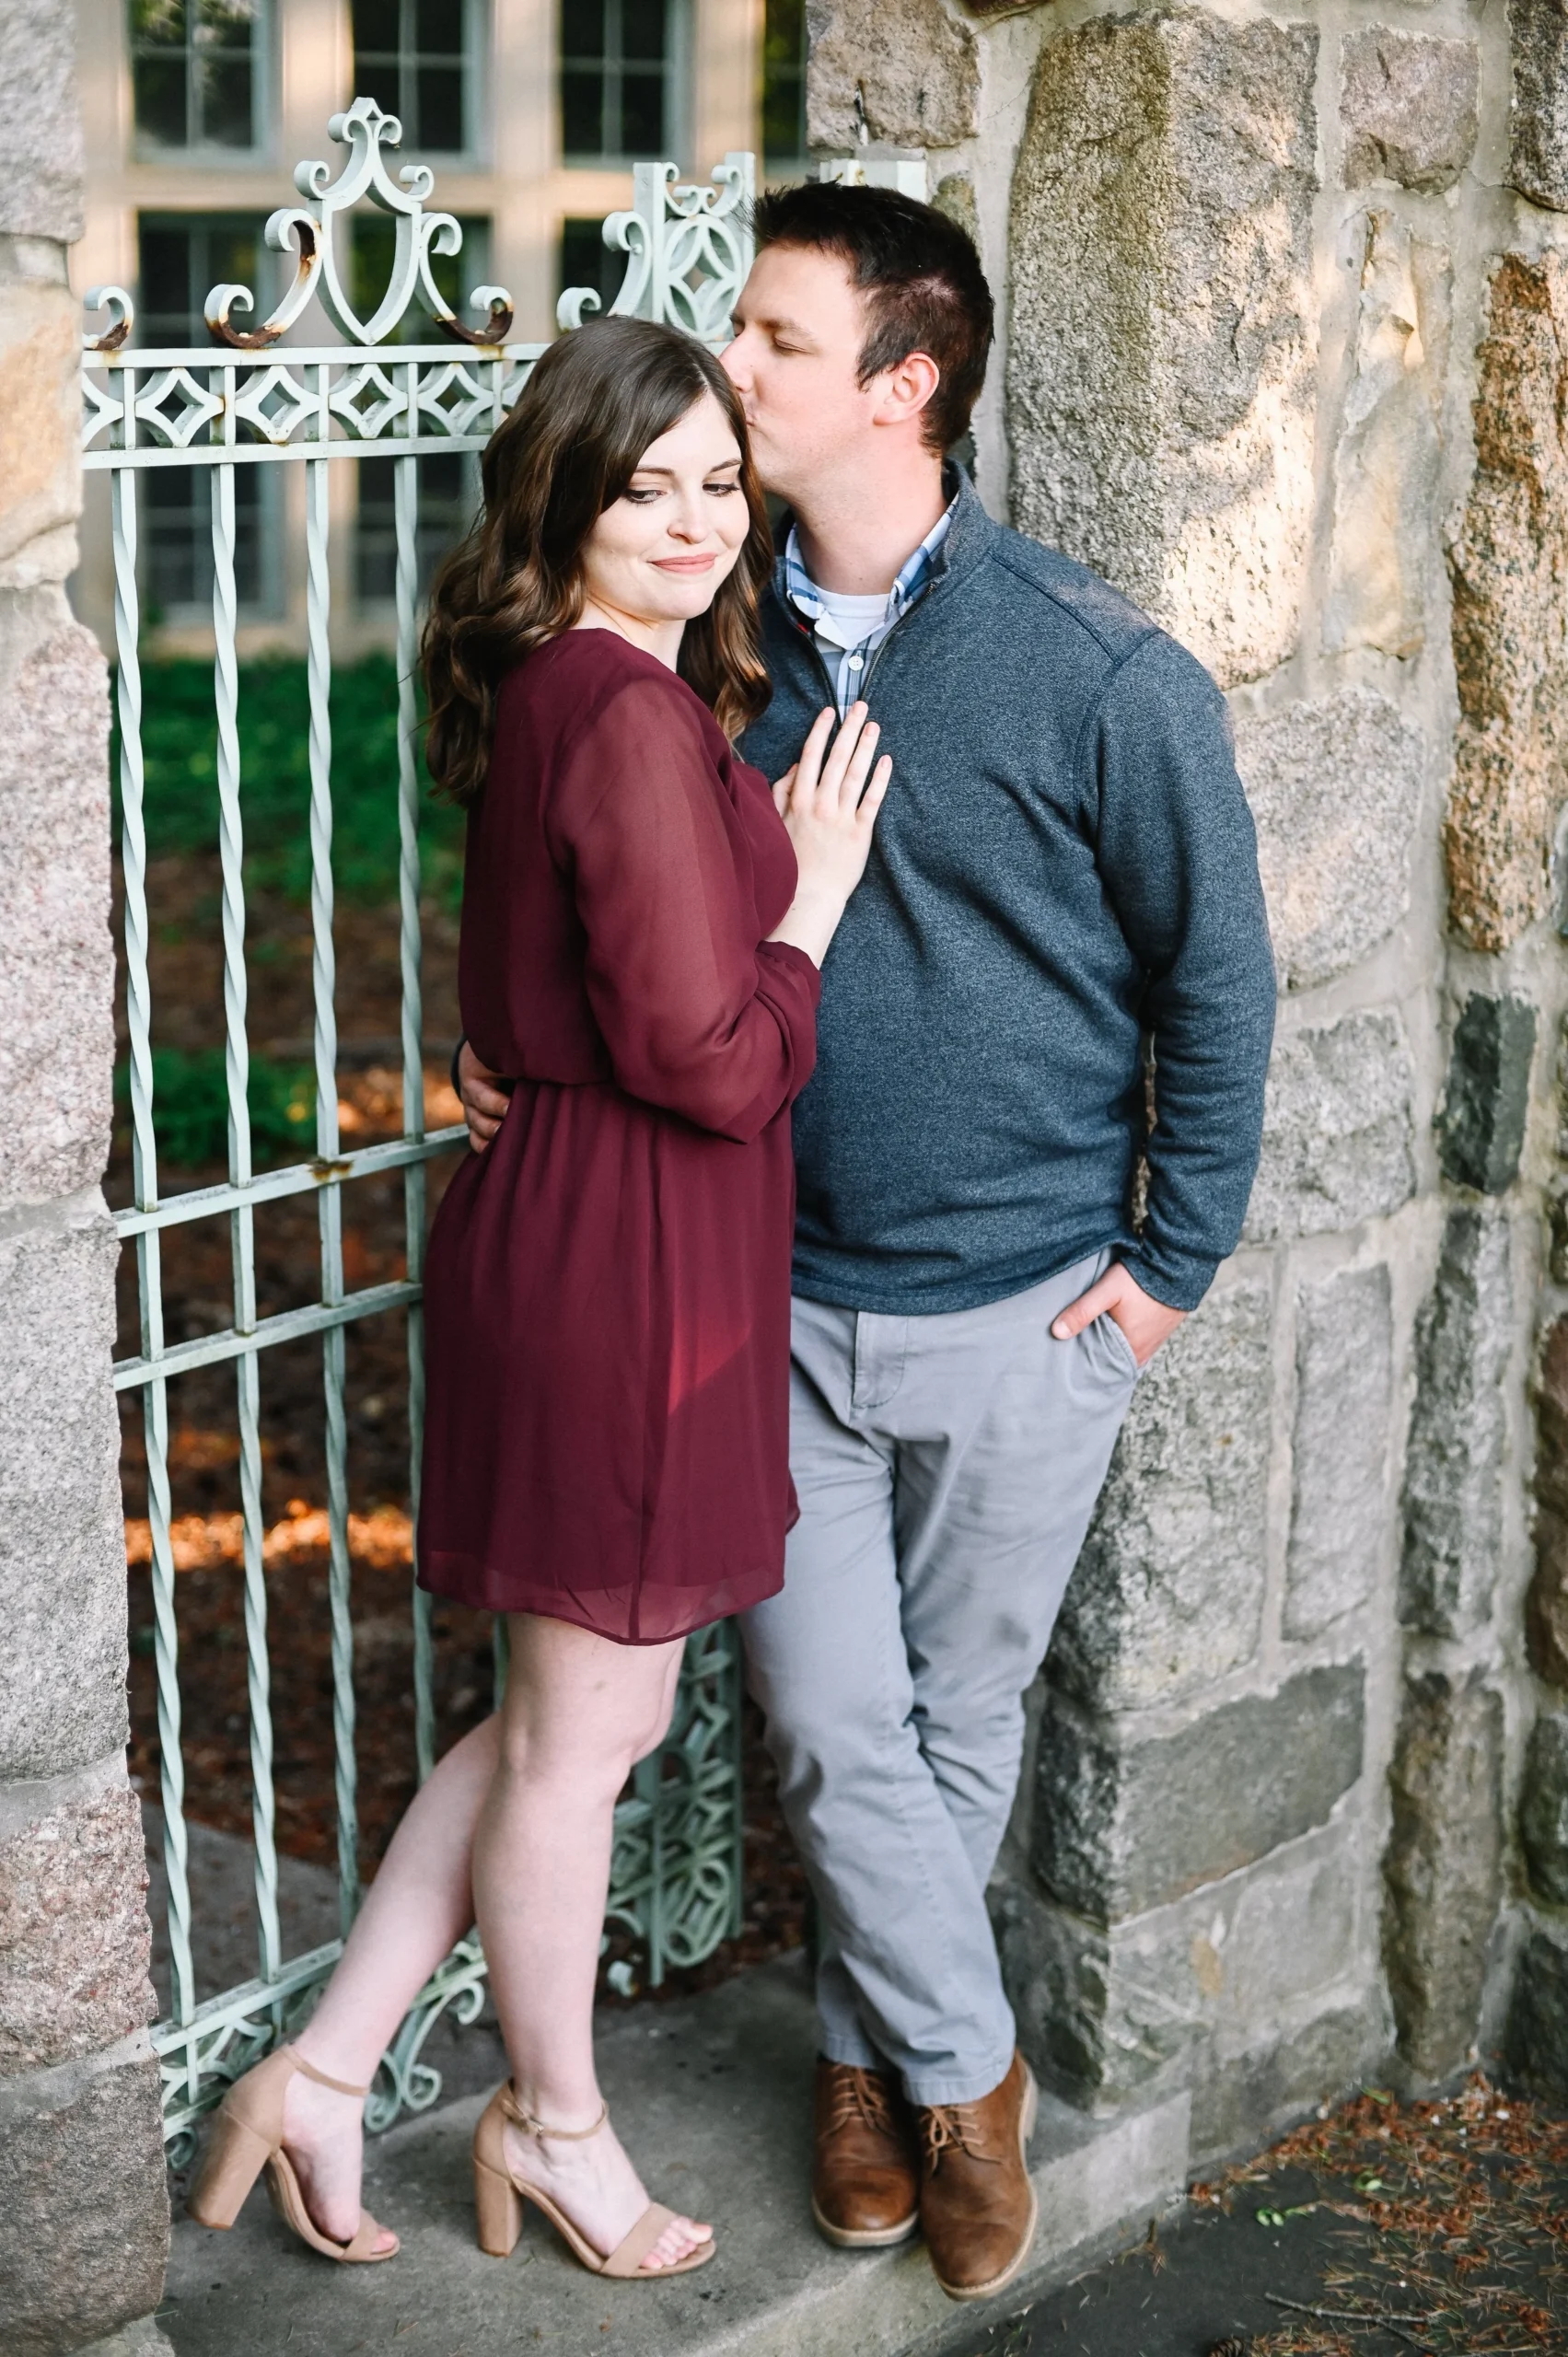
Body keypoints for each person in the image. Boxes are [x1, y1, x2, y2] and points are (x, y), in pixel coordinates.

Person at [462, 183, 1276, 2305]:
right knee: (836, 1727)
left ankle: (862, 2066)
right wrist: (520, 1053)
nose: (728, 367)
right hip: (758, 1298)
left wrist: (1164, 1269)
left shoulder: (1095, 669)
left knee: (960, 1718)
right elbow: (592, 891)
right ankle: (969, 2075)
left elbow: (1216, 985)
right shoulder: (694, 631)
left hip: (1027, 1310)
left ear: (903, 386)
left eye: (775, 341)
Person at [186, 316, 889, 2281]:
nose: (691, 520)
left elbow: (569, 990)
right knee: (579, 1744)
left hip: (597, 1235)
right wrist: (813, 903)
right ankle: (554, 2120)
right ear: (564, 506)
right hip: (623, 1269)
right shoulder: (623, 709)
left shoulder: (586, 690)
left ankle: (323, 2074)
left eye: (716, 482)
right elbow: (712, 1058)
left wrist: (548, 1041)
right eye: (641, 487)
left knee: (556, 1723)